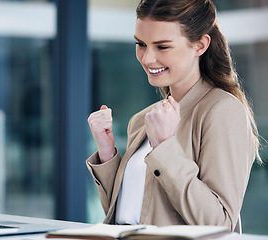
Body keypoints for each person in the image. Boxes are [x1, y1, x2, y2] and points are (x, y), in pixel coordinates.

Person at [86, 0, 261, 233]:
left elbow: (220, 223)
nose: (147, 58)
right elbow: (125, 213)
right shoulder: (142, 120)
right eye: (141, 44)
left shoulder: (222, 110)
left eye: (162, 47)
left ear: (200, 45)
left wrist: (165, 146)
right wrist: (108, 153)